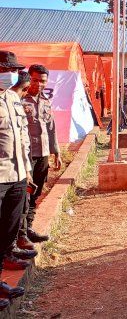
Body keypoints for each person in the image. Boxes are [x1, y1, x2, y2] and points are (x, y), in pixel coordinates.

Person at [0, 51, 31, 308]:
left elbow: (22, 138)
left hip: (18, 174)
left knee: (8, 230)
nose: (10, 73)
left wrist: (27, 170)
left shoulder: (12, 97)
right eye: (5, 68)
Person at [20, 64, 62, 247]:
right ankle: (20, 234)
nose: (39, 84)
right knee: (23, 195)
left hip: (43, 153)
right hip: (26, 155)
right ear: (29, 78)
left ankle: (28, 228)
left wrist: (57, 152)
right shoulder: (20, 99)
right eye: (35, 80)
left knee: (36, 193)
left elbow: (51, 129)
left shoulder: (45, 101)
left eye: (43, 81)